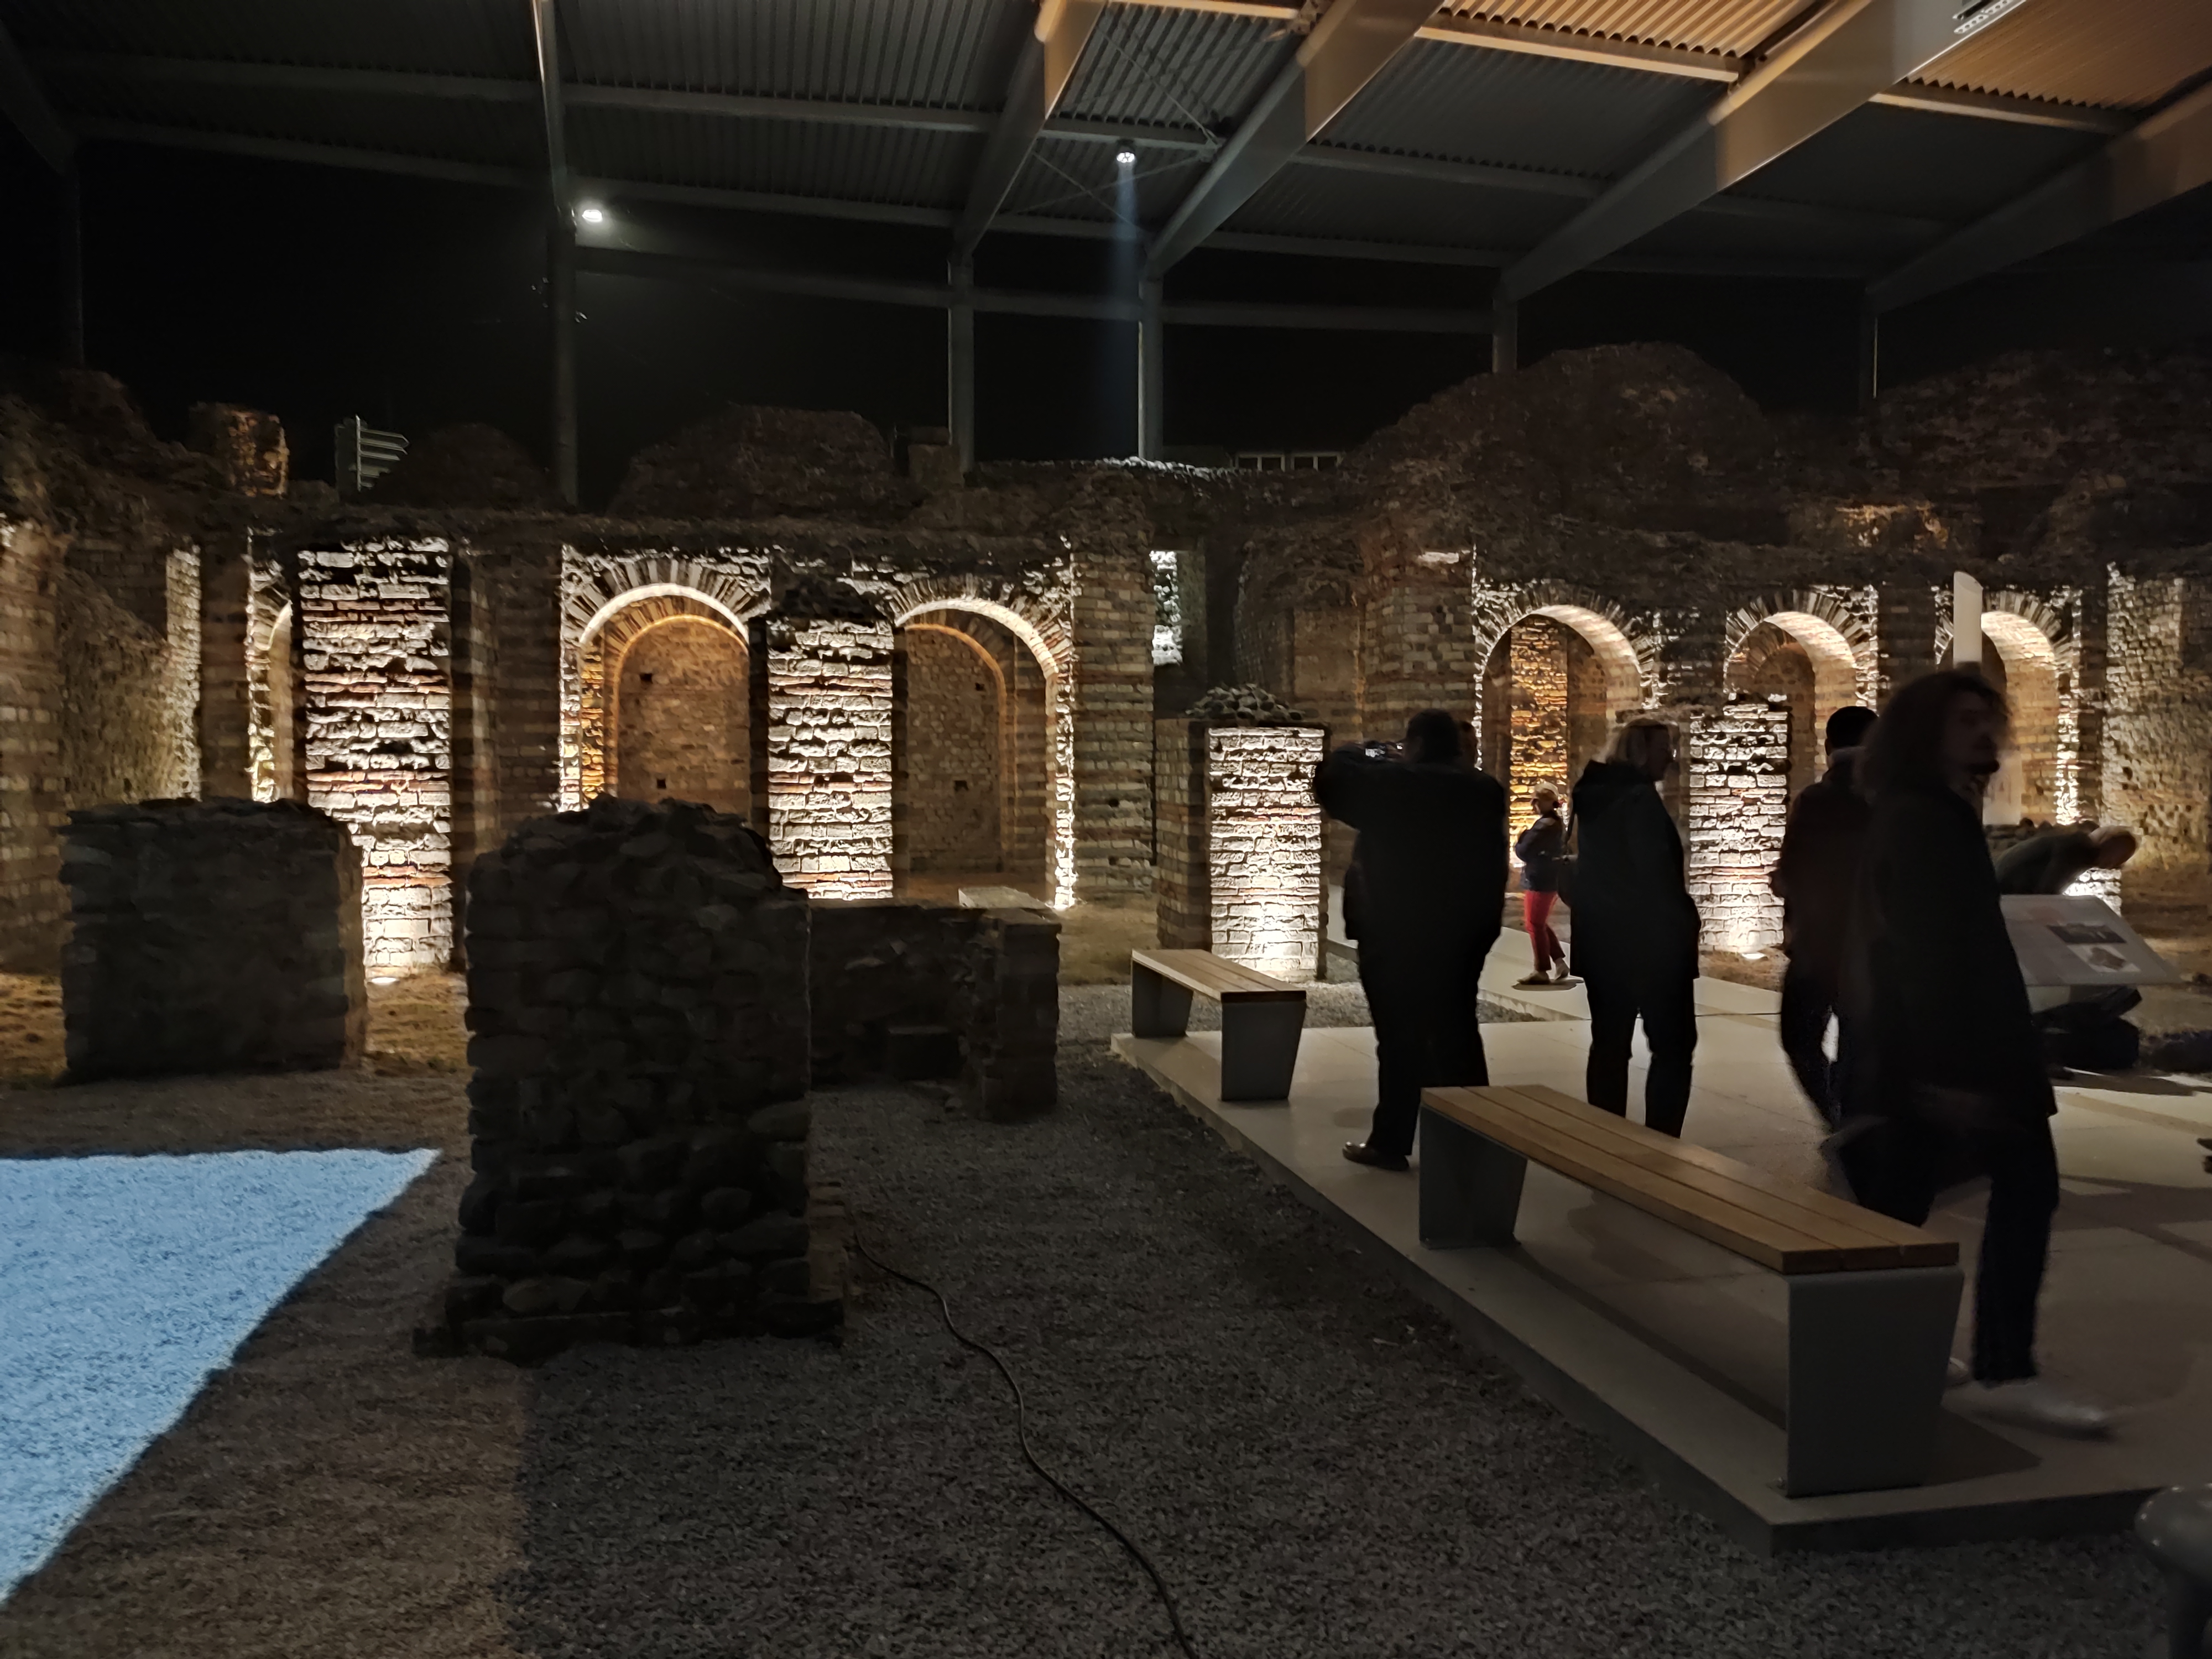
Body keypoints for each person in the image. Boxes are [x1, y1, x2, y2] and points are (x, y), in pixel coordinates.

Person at [1837, 668, 2109, 1436]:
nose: (1985, 733)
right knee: (2024, 1189)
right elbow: (1926, 953)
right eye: (1965, 721)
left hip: (1927, 1056)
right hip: (1957, 1057)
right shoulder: (1923, 821)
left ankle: (1886, 1351)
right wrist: (1950, 1072)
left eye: (1989, 719)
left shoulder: (1923, 812)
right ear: (1925, 734)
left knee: (1901, 1206)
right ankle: (2002, 1369)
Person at [1315, 708, 1508, 1172]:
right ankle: (1473, 1142)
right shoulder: (1484, 791)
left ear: (1416, 745)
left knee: (1400, 1040)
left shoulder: (1396, 786)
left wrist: (1378, 750)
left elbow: (1333, 774)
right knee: (1458, 1036)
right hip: (1461, 936)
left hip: (1396, 933)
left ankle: (1391, 1141)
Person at [1569, 720, 1699, 1136]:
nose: (1671, 757)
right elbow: (1654, 876)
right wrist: (1682, 926)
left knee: (1610, 1044)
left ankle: (1607, 1140)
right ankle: (1659, 1145)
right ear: (1640, 752)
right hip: (1650, 944)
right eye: (1663, 748)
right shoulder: (1638, 799)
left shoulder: (1594, 794)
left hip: (1602, 939)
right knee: (1673, 1047)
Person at [1769, 705, 1877, 1124]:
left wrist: (1786, 885)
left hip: (1820, 943)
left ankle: (1839, 1117)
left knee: (1800, 1037)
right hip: (1872, 945)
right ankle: (1852, 1117)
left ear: (1828, 745)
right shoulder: (1889, 801)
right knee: (1858, 1041)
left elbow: (1794, 869)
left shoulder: (1816, 799)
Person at [1514, 786, 1572, 988]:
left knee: (1534, 923)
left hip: (1540, 879)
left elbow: (1524, 851)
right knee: (1539, 922)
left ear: (1545, 803)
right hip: (1548, 878)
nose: (1534, 806)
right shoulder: (1554, 822)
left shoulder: (1545, 825)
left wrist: (1520, 840)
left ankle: (1541, 970)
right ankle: (1559, 962)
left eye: (1536, 802)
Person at [1995, 822, 2137, 896]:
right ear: (2107, 842)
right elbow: (2046, 894)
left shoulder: (2076, 844)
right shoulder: (2076, 850)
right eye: (2118, 854)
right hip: (2005, 892)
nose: (2114, 864)